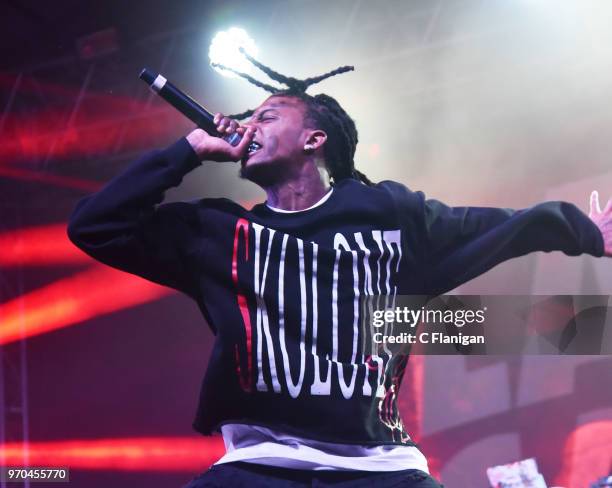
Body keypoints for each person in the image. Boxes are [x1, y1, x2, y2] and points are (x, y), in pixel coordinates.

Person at [66, 52, 611, 488]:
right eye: (249, 118)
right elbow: (95, 227)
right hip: (259, 466)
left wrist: (586, 234)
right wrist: (186, 151)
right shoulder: (217, 233)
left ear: (314, 139)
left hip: (380, 467)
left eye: (267, 116)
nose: (247, 126)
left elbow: (497, 228)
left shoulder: (391, 214)